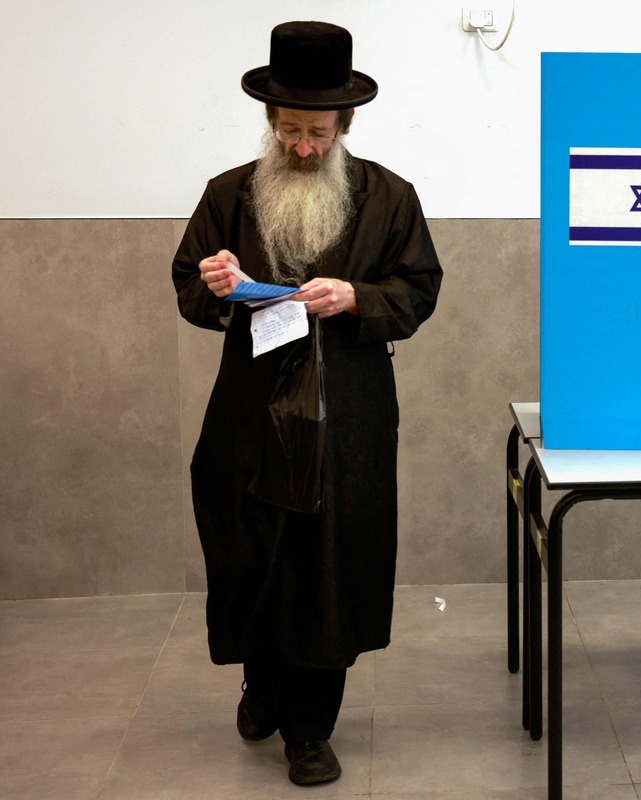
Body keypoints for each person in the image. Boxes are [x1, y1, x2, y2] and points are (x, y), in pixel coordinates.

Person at [171, 21, 442, 786]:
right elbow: (189, 284)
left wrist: (357, 296)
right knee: (251, 554)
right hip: (250, 412)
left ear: (345, 125)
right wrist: (216, 285)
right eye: (289, 131)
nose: (302, 148)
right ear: (270, 123)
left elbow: (418, 292)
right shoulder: (228, 195)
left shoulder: (389, 198)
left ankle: (311, 730)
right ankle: (261, 686)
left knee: (328, 568)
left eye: (317, 133)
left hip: (346, 412)